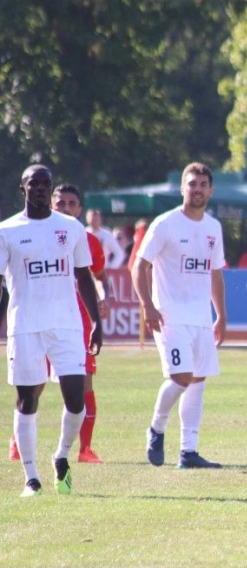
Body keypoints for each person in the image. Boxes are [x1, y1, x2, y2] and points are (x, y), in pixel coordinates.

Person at [0, 165, 103, 496]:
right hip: (25, 327)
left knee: (76, 400)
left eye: (46, 183)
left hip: (67, 326)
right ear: (23, 189)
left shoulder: (70, 228)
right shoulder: (7, 230)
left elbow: (83, 275)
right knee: (27, 400)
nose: (41, 188)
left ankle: (61, 455)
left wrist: (96, 321)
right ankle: (31, 478)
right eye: (35, 184)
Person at [133, 162, 228, 469]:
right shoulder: (166, 224)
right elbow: (139, 266)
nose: (197, 189)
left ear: (210, 191)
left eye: (203, 184)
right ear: (182, 188)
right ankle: (156, 428)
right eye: (192, 184)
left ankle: (188, 452)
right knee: (181, 377)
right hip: (169, 315)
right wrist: (148, 305)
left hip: (200, 317)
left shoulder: (213, 228)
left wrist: (220, 315)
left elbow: (215, 273)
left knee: (197, 380)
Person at [52, 185, 110, 463]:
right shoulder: (37, 235)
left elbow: (99, 276)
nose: (65, 207)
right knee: (33, 385)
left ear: (79, 210)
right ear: (51, 205)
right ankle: (17, 442)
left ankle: (84, 449)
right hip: (43, 319)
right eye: (60, 202)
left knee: (85, 382)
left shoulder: (89, 241)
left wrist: (105, 297)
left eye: (71, 203)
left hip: (80, 321)